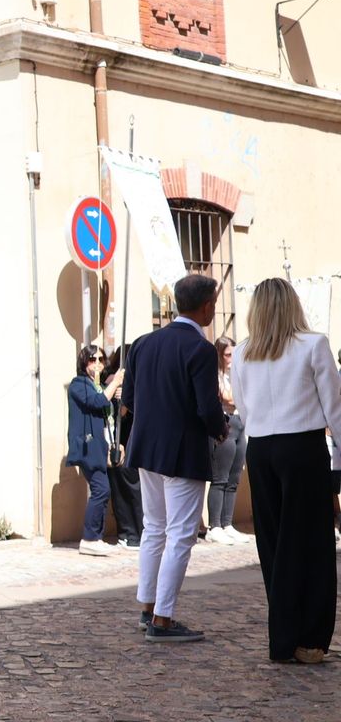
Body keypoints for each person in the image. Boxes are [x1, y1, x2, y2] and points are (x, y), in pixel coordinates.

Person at [231, 278, 341, 665]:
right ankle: (310, 638)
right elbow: (336, 410)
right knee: (311, 545)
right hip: (304, 448)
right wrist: (339, 463)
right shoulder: (314, 345)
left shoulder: (242, 353)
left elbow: (243, 410)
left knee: (274, 545)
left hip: (261, 450)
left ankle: (283, 636)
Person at [120, 273, 228, 643]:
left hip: (146, 448)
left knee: (154, 528)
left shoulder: (142, 344)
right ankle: (163, 619)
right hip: (182, 452)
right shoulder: (199, 350)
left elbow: (128, 401)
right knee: (181, 534)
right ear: (207, 305)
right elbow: (207, 406)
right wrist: (221, 428)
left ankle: (148, 607)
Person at [67, 343, 124, 556]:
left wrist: (113, 442)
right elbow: (97, 402)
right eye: (92, 359)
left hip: (100, 444)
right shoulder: (78, 384)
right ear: (84, 363)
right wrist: (115, 382)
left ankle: (95, 537)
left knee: (103, 490)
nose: (98, 363)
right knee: (101, 489)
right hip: (87, 445)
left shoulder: (96, 385)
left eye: (101, 359)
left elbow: (106, 416)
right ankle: (90, 538)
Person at [206, 334, 251, 544]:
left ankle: (227, 522)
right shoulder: (214, 374)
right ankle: (214, 525)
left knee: (234, 478)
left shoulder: (236, 373)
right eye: (227, 354)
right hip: (225, 423)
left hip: (240, 423)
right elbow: (228, 397)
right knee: (220, 478)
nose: (231, 358)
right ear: (219, 355)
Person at [106, 347, 143, 548]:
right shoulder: (113, 380)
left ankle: (134, 533)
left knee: (133, 488)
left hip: (131, 439)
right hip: (118, 440)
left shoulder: (137, 381)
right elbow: (116, 413)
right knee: (122, 488)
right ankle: (129, 532)